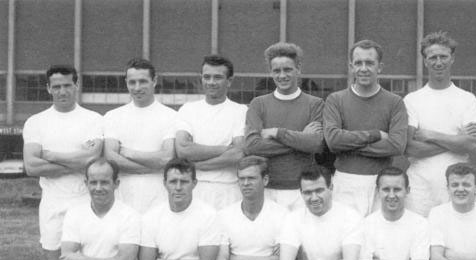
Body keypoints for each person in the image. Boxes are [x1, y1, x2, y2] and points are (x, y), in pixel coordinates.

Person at [23, 64, 104, 260]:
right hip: (53, 204)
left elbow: (92, 159)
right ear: (48, 88)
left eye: (67, 85)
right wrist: (74, 160)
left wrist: (51, 155)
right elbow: (32, 166)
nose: (62, 91)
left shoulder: (93, 119)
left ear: (76, 85)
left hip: (84, 202)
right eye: (56, 86)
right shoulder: (36, 122)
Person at [323, 39, 408, 216]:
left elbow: (396, 145)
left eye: (369, 63)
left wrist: (348, 146)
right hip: (346, 181)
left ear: (380, 67)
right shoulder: (336, 100)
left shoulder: (394, 102)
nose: (363, 68)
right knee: (348, 240)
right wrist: (375, 134)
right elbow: (333, 141)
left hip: (382, 183)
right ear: (351, 66)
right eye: (358, 63)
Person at [403, 31, 476, 217]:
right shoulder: (412, 100)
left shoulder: (467, 100)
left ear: (452, 58)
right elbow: (409, 148)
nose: (438, 62)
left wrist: (432, 135)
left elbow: (473, 144)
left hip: (456, 186)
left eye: (443, 57)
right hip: (420, 189)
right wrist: (457, 140)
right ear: (425, 61)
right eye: (433, 57)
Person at [245, 42, 325, 211]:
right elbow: (252, 146)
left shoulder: (315, 104)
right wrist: (300, 139)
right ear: (270, 72)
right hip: (267, 190)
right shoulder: (258, 104)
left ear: (298, 69)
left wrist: (277, 133)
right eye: (276, 71)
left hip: (303, 190)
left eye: (287, 69)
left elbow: (316, 144)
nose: (282, 75)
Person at [103, 58, 176, 214]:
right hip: (122, 196)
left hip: (159, 197)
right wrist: (150, 166)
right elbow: (110, 158)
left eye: (143, 81)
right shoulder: (112, 116)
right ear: (126, 82)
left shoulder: (171, 116)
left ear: (154, 81)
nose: (137, 88)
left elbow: (167, 158)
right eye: (132, 82)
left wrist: (130, 153)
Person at [175, 55, 247, 210]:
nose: (211, 82)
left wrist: (200, 165)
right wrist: (226, 149)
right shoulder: (188, 110)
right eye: (206, 77)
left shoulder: (240, 111)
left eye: (218, 77)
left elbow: (238, 154)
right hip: (195, 190)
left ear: (229, 81)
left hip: (229, 190)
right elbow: (183, 150)